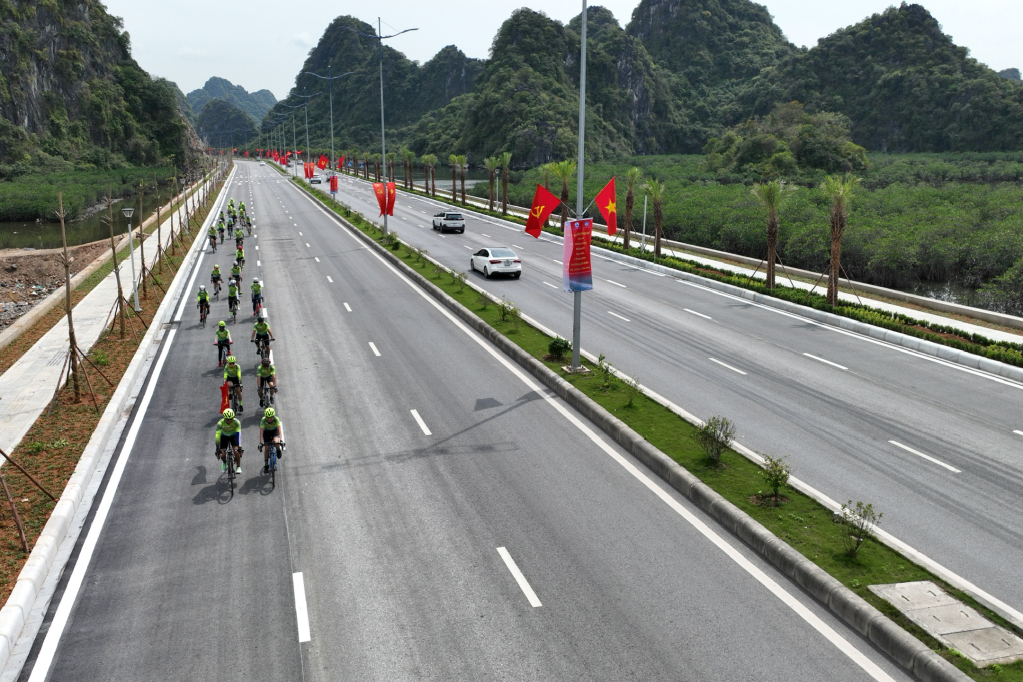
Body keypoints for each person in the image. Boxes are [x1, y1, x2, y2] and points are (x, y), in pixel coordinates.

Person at [215, 408, 243, 474]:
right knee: (223, 453)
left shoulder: (236, 422)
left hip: (234, 436)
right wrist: (217, 448)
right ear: (224, 418)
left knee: (236, 451)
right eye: (227, 419)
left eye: (231, 419)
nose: (229, 421)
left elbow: (239, 434)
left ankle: (238, 467)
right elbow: (217, 436)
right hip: (224, 437)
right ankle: (224, 462)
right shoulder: (220, 423)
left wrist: (240, 446)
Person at [258, 407, 284, 474]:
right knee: (267, 448)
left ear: (273, 416)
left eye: (271, 417)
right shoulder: (263, 420)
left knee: (276, 442)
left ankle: (278, 449)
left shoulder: (276, 419)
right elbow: (261, 432)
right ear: (265, 417)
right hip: (266, 433)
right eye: (268, 417)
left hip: (274, 431)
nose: (269, 419)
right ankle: (266, 465)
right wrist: (260, 442)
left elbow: (279, 430)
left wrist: (281, 440)